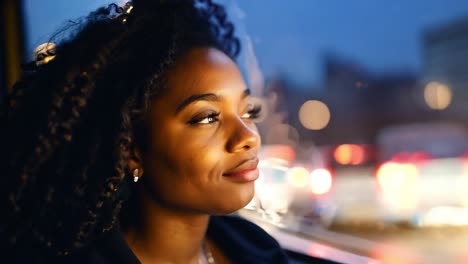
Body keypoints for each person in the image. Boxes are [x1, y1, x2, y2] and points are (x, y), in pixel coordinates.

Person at [0, 0, 289, 263]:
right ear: (132, 151)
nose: (249, 137)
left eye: (248, 111)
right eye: (206, 117)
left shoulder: (257, 247)